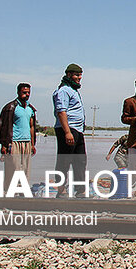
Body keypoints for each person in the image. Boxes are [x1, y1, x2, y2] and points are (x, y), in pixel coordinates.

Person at [52, 63, 86, 196]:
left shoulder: (73, 90)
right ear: (68, 75)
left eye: (80, 75)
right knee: (64, 160)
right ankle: (61, 189)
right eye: (77, 75)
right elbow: (61, 112)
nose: (79, 77)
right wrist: (67, 132)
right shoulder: (63, 91)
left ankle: (80, 190)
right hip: (68, 129)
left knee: (80, 160)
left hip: (78, 130)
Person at [0, 83, 37, 189]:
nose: (26, 95)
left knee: (26, 170)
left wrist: (32, 144)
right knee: (14, 169)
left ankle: (23, 191)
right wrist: (3, 144)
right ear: (18, 92)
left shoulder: (30, 109)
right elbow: (3, 125)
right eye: (24, 92)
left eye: (28, 93)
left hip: (27, 142)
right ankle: (9, 191)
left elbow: (32, 127)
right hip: (14, 142)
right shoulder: (11, 107)